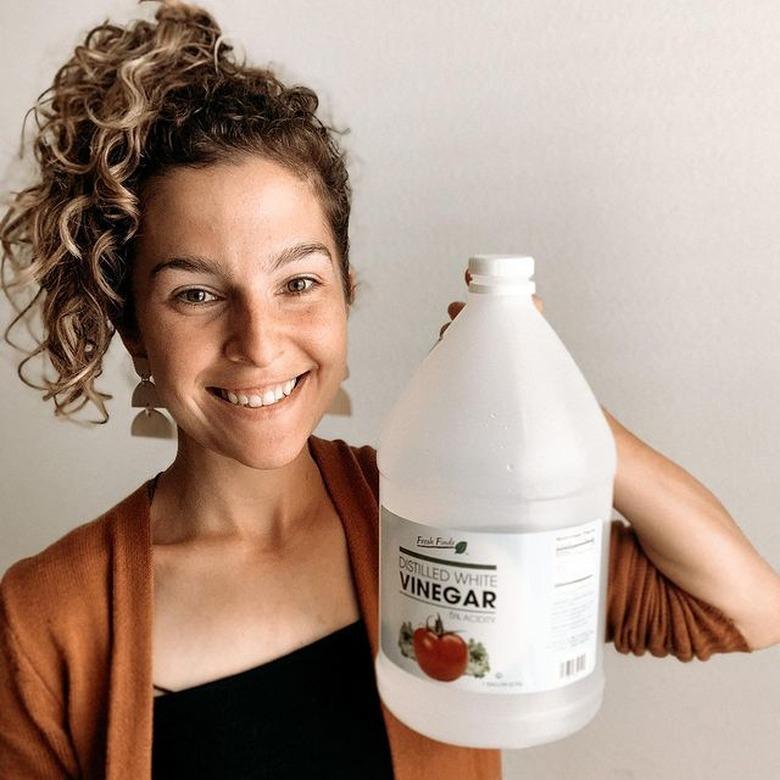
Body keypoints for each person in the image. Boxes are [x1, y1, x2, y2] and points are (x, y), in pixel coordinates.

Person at [1, 2, 778, 778]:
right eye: (197, 295)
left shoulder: (446, 518)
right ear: (134, 328)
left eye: (298, 282)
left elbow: (745, 610)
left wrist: (551, 408)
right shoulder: (44, 620)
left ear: (346, 293)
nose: (261, 341)